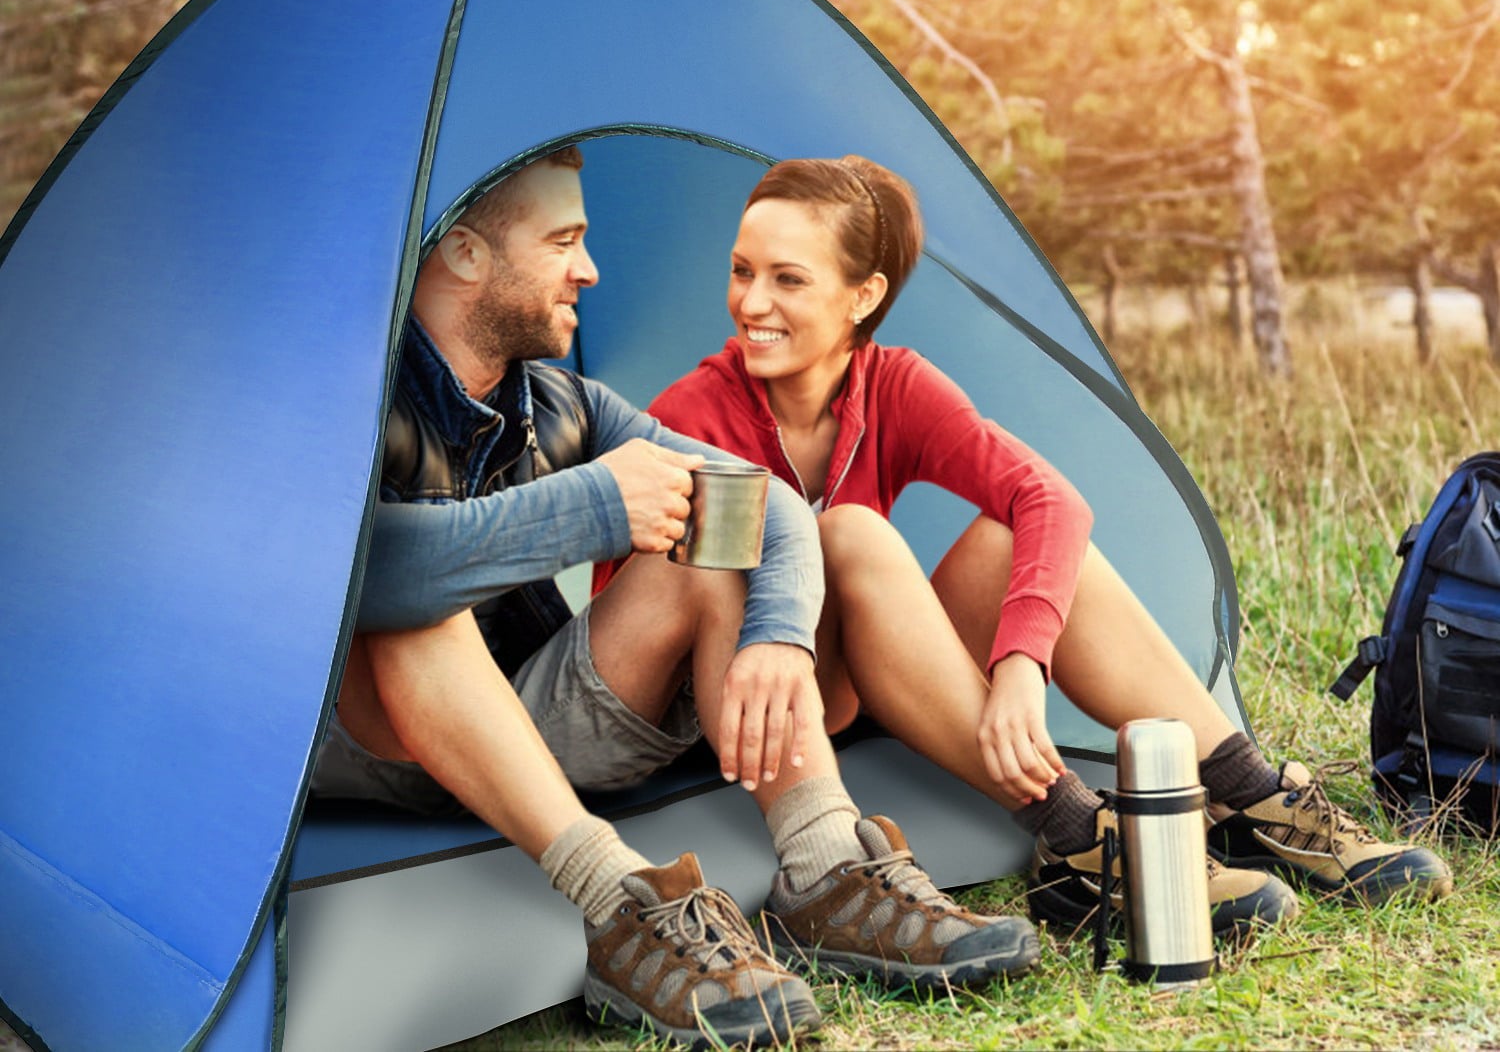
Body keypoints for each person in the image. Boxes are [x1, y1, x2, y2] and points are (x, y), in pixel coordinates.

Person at [310, 146, 1039, 1052]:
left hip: (521, 721)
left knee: (715, 541)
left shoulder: (563, 402)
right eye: (564, 241)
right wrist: (590, 508)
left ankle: (825, 870)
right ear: (465, 255)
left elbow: (763, 505)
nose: (591, 269)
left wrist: (779, 635)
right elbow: (349, 577)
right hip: (373, 738)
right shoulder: (344, 394)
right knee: (415, 615)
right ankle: (620, 903)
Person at [618, 154, 1452, 941]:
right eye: (742, 270)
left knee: (1019, 532)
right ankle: (1078, 834)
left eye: (787, 278)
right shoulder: (691, 415)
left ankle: (1250, 797)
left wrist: (1022, 661)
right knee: (851, 533)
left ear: (862, 296)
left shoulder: (893, 383)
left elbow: (1050, 497)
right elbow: (650, 615)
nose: (751, 303)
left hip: (855, 680)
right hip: (744, 711)